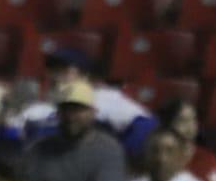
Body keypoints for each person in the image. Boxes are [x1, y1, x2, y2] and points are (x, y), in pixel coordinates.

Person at [11, 47, 156, 157]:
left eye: (64, 70)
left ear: (85, 75)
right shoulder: (37, 109)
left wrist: (120, 160)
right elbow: (12, 140)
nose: (55, 75)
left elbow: (146, 125)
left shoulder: (104, 99)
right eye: (52, 69)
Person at [23, 81, 128, 181]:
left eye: (78, 110)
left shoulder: (108, 148)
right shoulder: (41, 148)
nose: (70, 116)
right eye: (65, 109)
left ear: (93, 113)